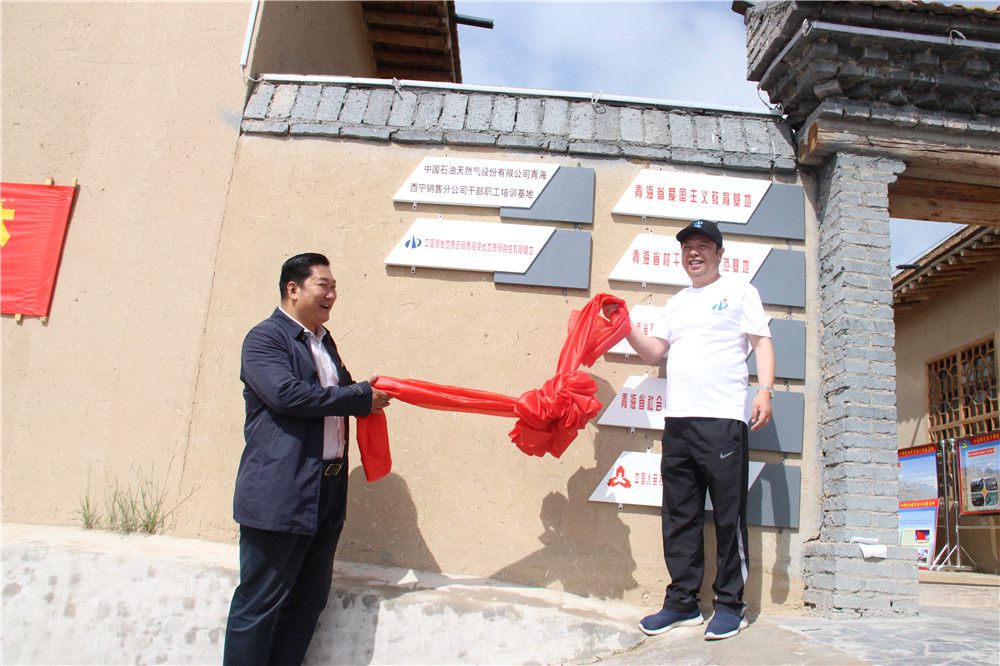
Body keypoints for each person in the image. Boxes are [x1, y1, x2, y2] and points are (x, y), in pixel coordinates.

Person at [604, 219, 775, 641]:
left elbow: (762, 342)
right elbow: (654, 353)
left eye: (703, 246)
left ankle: (730, 605)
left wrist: (765, 390)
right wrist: (626, 325)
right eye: (687, 247)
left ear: (719, 253)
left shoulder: (740, 292)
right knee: (680, 516)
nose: (694, 253)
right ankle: (682, 603)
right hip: (679, 422)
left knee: (729, 516)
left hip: (723, 420)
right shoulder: (677, 303)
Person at [224, 252, 392, 665]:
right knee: (260, 603)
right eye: (323, 286)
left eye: (335, 287)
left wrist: (369, 392)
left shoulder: (323, 342)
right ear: (293, 289)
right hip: (281, 493)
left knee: (307, 601)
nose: (332, 294)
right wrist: (357, 396)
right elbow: (288, 395)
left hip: (327, 490)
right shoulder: (265, 339)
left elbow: (343, 394)